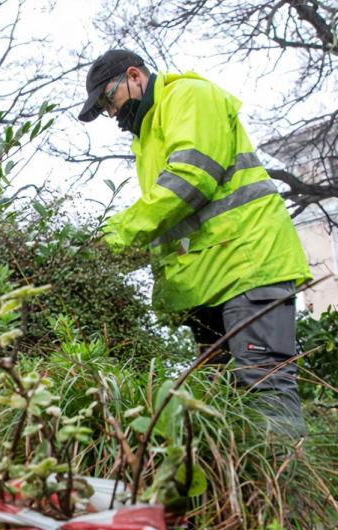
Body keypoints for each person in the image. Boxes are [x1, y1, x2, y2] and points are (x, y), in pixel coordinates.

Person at [78, 49, 311, 437]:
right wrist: (107, 258)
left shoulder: (188, 96)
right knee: (221, 409)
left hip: (248, 269)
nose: (112, 114)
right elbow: (167, 223)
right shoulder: (148, 137)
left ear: (134, 76)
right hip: (209, 283)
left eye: (109, 100)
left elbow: (190, 179)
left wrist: (114, 237)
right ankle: (240, 496)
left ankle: (286, 494)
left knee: (264, 391)